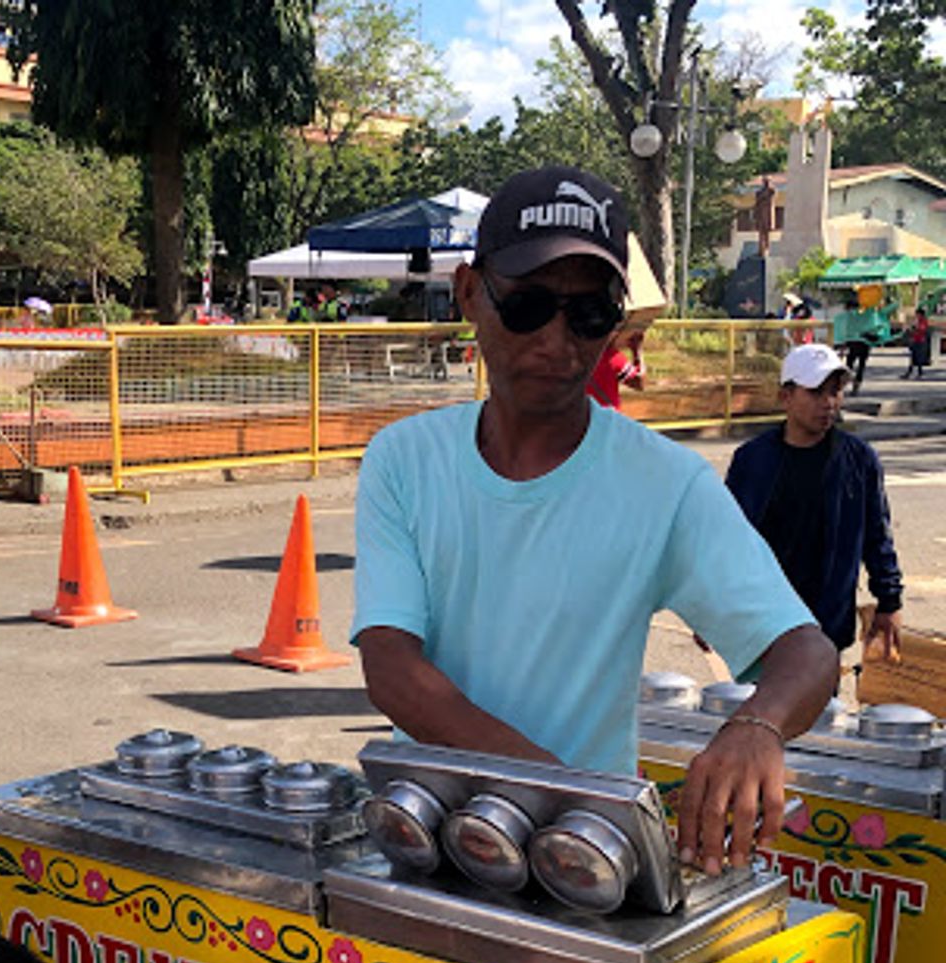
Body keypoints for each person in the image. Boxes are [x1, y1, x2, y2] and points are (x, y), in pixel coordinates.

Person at [352, 164, 838, 877]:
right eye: (527, 304)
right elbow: (393, 670)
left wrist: (757, 725)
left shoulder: (665, 484)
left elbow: (807, 653)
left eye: (589, 313)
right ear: (468, 293)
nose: (557, 340)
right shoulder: (405, 460)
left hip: (584, 869)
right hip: (429, 842)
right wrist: (567, 798)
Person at [725, 343, 902, 661]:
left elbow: (877, 536)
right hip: (763, 626)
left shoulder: (859, 461)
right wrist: (713, 606)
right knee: (760, 709)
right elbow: (727, 540)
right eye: (817, 392)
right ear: (786, 397)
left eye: (835, 391)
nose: (829, 403)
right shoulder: (752, 460)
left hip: (826, 628)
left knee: (824, 711)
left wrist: (889, 602)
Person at [587, 327, 646, 409]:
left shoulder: (572, 357)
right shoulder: (612, 357)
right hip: (607, 418)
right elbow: (639, 383)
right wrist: (637, 350)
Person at [904, 306, 931, 379]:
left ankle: (919, 372)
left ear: (920, 314)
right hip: (916, 340)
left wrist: (913, 330)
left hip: (920, 342)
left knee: (918, 358)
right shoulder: (918, 321)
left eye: (917, 314)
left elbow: (921, 330)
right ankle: (911, 372)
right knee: (913, 358)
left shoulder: (923, 321)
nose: (916, 315)